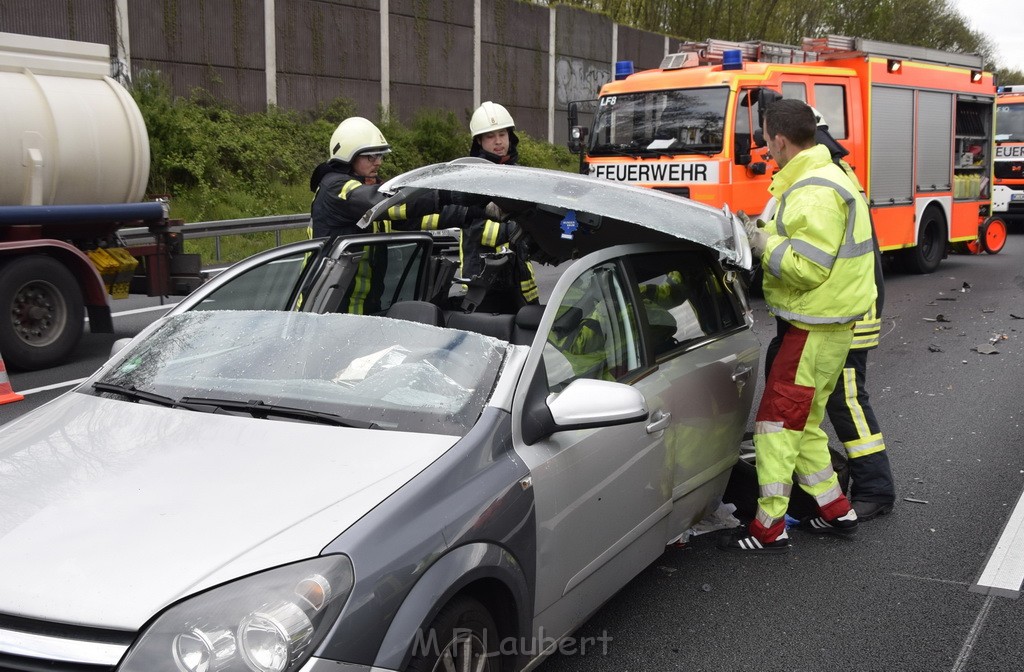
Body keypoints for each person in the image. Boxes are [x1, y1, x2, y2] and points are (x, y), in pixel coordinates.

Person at [720, 99, 877, 553]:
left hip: (811, 329)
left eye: (766, 140)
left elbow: (807, 267)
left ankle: (768, 528)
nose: (765, 150)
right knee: (805, 424)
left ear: (781, 140)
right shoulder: (829, 177)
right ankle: (836, 509)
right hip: (828, 328)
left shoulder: (812, 190)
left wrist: (760, 242)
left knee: (775, 425)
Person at [308, 116, 474, 312]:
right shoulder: (336, 188)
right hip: (329, 306)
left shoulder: (369, 190)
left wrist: (470, 212)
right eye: (371, 156)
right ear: (348, 156)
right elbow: (390, 202)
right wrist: (444, 193)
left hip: (363, 305)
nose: (378, 162)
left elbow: (415, 218)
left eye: (380, 156)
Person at [458, 102, 539, 309]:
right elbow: (476, 229)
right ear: (479, 141)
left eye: (502, 134)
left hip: (520, 281)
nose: (498, 142)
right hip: (483, 283)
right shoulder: (470, 179)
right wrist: (517, 228)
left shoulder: (519, 173)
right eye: (490, 136)